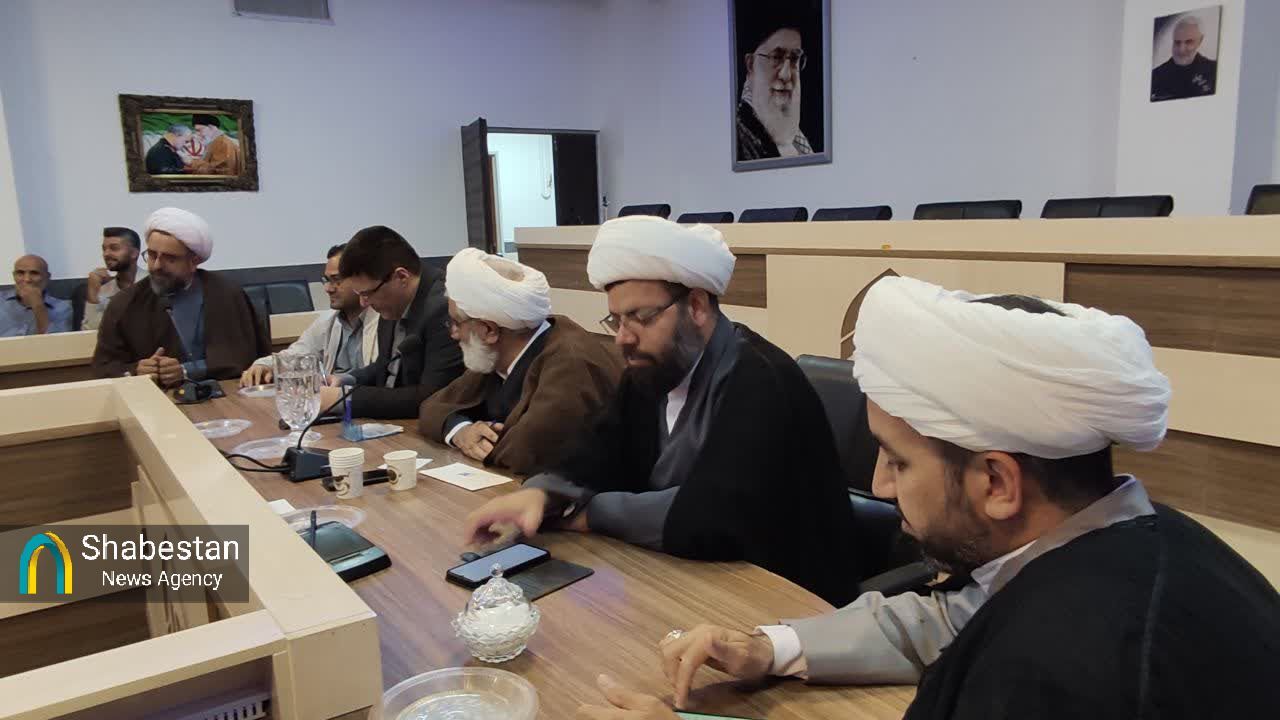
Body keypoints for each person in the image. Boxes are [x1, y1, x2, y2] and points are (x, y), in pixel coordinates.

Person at [580, 277, 1280, 719]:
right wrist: (769, 647)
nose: (881, 486)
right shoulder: (1127, 537)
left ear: (997, 483)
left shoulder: (1060, 668)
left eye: (897, 459)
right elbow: (957, 617)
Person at [463, 216, 859, 605]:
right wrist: (541, 494)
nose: (623, 338)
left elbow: (718, 514)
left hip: (787, 596)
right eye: (616, 320)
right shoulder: (653, 371)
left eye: (641, 317)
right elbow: (599, 449)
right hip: (687, 578)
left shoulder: (761, 378)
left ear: (697, 306)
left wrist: (588, 516)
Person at [419, 248, 622, 475]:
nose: (453, 333)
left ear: (489, 330)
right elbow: (432, 407)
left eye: (457, 323)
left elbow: (529, 451)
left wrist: (484, 437)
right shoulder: (496, 353)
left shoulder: (572, 363)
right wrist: (462, 431)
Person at [92, 208, 269, 387]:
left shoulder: (226, 294)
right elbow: (104, 367)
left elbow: (245, 357)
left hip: (228, 394)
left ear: (194, 261)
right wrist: (136, 370)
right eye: (152, 255)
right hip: (156, 399)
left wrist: (186, 371)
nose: (156, 265)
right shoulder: (124, 303)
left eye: (170, 258)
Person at [321, 225, 463, 419]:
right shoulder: (391, 300)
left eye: (367, 293)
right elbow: (386, 366)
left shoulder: (443, 307)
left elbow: (432, 397)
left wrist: (344, 399)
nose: (363, 303)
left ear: (401, 277)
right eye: (359, 294)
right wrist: (348, 380)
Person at [241, 243, 380, 387]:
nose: (328, 288)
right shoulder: (328, 321)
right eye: (327, 280)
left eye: (336, 280)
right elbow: (296, 355)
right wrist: (264, 365)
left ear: (362, 279)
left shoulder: (384, 321)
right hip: (332, 397)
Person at [736, 7, 813, 160]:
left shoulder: (797, 137)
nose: (786, 74)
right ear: (750, 65)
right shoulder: (738, 135)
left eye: (794, 59)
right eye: (776, 57)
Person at [82, 227, 144, 330]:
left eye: (114, 248)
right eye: (104, 249)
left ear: (134, 253)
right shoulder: (103, 291)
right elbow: (89, 333)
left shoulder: (153, 285)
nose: (106, 254)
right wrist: (92, 294)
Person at [1, 255, 72, 336]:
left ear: (47, 277)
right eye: (20, 273)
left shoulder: (63, 308)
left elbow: (57, 342)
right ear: (14, 276)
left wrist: (38, 306)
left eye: (34, 273)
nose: (27, 279)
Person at [1151, 15, 1217, 101]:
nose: (1181, 49)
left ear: (1200, 41)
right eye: (1177, 42)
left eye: (1189, 42)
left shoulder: (1214, 70)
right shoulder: (1156, 76)